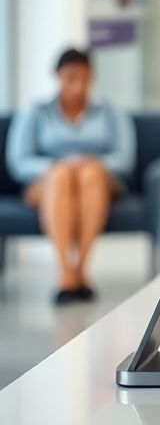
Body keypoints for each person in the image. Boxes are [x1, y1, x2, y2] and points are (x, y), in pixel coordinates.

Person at [6, 48, 135, 304]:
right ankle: (66, 271)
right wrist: (56, 166)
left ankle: (80, 269)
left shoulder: (109, 111)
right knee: (61, 177)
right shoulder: (37, 111)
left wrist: (90, 163)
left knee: (90, 174)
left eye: (84, 79)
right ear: (57, 76)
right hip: (46, 183)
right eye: (71, 78)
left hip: (98, 181)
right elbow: (19, 161)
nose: (78, 87)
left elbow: (124, 158)